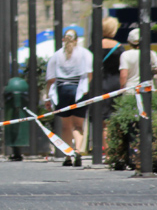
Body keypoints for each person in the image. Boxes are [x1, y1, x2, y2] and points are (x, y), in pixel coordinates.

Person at [45, 28, 92, 167]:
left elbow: (50, 79)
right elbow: (89, 74)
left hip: (62, 90)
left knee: (66, 127)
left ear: (63, 40)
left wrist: (48, 98)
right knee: (78, 125)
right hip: (79, 89)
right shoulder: (85, 53)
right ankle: (77, 150)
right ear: (77, 40)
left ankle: (68, 154)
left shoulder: (56, 55)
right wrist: (86, 87)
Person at [98, 17, 124, 152]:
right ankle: (117, 150)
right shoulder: (119, 47)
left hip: (100, 84)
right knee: (116, 118)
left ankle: (108, 152)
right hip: (116, 83)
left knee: (103, 122)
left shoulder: (94, 46)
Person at [119, 28, 157, 92]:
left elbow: (124, 75)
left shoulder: (125, 55)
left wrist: (121, 87)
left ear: (129, 42)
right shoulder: (152, 53)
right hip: (147, 89)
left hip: (131, 90)